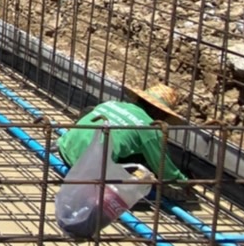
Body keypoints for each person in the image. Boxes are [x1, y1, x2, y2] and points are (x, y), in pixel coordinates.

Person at [56, 85, 194, 203]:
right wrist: (185, 182)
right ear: (159, 111)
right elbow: (164, 169)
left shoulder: (111, 104)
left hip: (64, 149)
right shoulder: (150, 127)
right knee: (143, 160)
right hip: (88, 171)